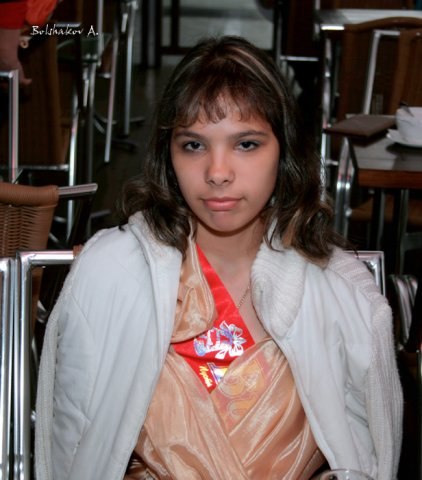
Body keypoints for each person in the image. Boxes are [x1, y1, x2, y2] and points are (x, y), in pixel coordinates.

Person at [35, 36, 403, 480]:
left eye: (246, 144)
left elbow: (371, 458)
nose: (217, 173)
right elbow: (69, 447)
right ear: (168, 154)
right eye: (194, 145)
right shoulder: (110, 275)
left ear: (284, 150)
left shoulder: (343, 294)